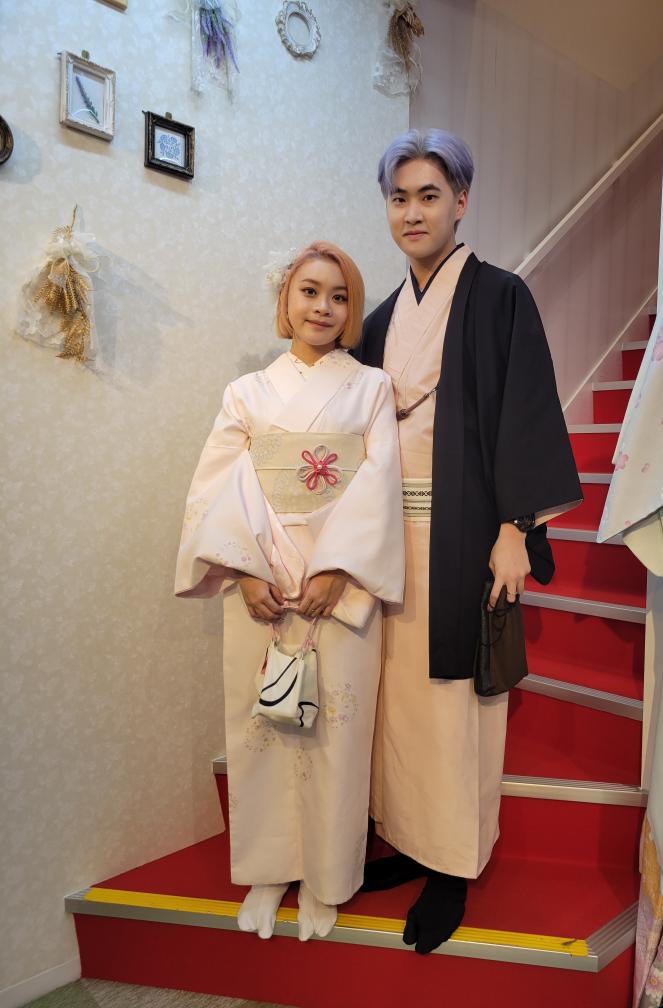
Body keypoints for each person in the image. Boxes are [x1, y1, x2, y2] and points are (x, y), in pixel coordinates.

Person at [355, 130, 582, 954]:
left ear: (461, 201)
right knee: (395, 702)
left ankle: (452, 863)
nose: (413, 212)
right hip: (390, 537)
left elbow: (527, 410)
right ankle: (407, 841)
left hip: (466, 531)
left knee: (454, 707)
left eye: (429, 195)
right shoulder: (380, 322)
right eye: (399, 198)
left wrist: (517, 527)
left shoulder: (498, 297)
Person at [175, 241, 404, 942]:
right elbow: (217, 485)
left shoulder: (372, 388)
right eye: (310, 291)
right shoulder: (246, 393)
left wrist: (337, 570)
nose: (323, 307)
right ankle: (270, 870)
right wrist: (245, 572)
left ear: (351, 310)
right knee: (265, 731)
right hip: (264, 581)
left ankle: (328, 877)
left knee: (337, 731)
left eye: (339, 296)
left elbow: (379, 484)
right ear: (286, 299)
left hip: (339, 581)